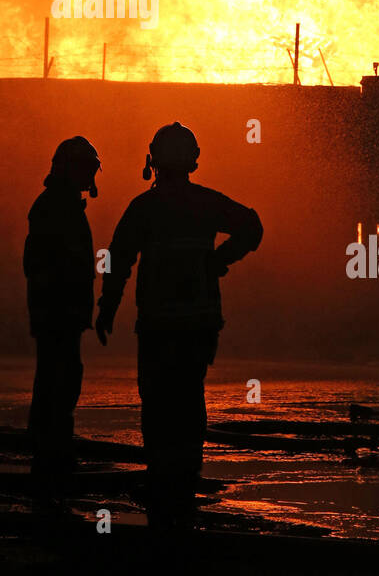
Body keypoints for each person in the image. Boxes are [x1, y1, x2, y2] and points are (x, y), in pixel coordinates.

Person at [96, 122, 262, 527]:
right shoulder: (206, 203)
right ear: (193, 160)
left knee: (157, 403)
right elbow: (252, 225)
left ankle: (163, 482)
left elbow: (117, 258)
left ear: (152, 161)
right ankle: (184, 480)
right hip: (198, 327)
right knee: (189, 399)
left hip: (157, 327)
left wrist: (107, 307)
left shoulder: (144, 208)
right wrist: (220, 260)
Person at [24, 136, 101, 496]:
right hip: (58, 312)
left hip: (60, 312)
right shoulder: (56, 207)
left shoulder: (61, 205)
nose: (89, 176)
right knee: (60, 376)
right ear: (68, 168)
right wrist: (59, 306)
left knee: (59, 375)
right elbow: (41, 264)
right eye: (85, 169)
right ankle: (51, 451)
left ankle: (51, 445)